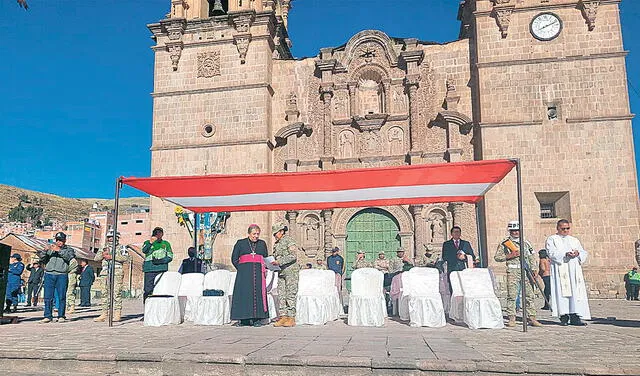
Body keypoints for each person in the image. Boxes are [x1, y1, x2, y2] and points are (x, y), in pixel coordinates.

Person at [494, 221, 543, 327]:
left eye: (517, 230)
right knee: (512, 295)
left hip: (526, 271)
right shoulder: (505, 243)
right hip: (513, 272)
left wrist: (534, 270)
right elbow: (497, 257)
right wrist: (510, 255)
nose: (515, 232)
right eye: (513, 230)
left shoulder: (526, 243)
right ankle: (512, 318)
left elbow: (531, 256)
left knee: (529, 295)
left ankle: (532, 317)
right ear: (510, 231)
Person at [546, 219, 591, 326]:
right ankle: (564, 316)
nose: (565, 230)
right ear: (558, 228)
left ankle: (575, 316)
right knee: (562, 292)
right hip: (561, 269)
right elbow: (551, 253)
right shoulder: (552, 239)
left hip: (574, 270)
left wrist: (577, 253)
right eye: (563, 228)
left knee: (576, 292)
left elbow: (583, 252)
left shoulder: (574, 240)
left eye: (567, 228)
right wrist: (565, 254)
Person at [230, 224, 269, 327]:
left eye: (257, 234)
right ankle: (243, 320)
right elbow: (234, 258)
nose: (256, 236)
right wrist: (242, 269)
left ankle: (257, 319)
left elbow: (265, 258)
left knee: (257, 295)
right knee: (244, 295)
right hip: (244, 275)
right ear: (249, 233)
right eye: (254, 234)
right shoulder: (240, 243)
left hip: (258, 274)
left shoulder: (262, 244)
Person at [38, 232, 76, 323]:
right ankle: (47, 316)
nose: (59, 242)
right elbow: (41, 259)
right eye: (57, 240)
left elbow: (70, 257)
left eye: (61, 240)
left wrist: (59, 250)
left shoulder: (69, 249)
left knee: (61, 296)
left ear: (64, 241)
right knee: (48, 296)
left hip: (61, 275)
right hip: (49, 274)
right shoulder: (51, 249)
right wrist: (45, 250)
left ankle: (61, 315)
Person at [94, 229, 130, 322]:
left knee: (116, 293)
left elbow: (126, 258)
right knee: (104, 293)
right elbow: (96, 258)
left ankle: (117, 314)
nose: (110, 239)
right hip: (105, 272)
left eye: (112, 237)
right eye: (109, 237)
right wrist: (103, 254)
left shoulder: (122, 247)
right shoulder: (104, 248)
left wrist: (112, 257)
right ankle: (104, 313)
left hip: (117, 271)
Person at [271, 222, 300, 328]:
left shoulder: (289, 240)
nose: (275, 235)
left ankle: (291, 318)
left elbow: (293, 256)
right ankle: (283, 316)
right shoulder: (277, 244)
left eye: (276, 233)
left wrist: (280, 261)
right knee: (281, 294)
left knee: (290, 294)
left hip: (291, 271)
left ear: (281, 231)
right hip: (281, 272)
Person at [142, 227, 173, 303]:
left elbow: (170, 256)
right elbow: (144, 250)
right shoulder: (147, 242)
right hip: (150, 269)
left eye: (160, 233)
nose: (158, 235)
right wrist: (150, 242)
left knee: (161, 289)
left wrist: (161, 261)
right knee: (148, 289)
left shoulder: (166, 244)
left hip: (161, 269)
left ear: (162, 234)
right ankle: (147, 305)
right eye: (156, 233)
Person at [442, 226, 476, 293]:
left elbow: (472, 256)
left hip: (464, 269)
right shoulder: (447, 244)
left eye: (458, 232)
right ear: (451, 234)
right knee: (454, 288)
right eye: (455, 232)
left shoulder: (466, 243)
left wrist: (465, 257)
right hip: (452, 269)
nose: (457, 233)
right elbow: (445, 256)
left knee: (464, 287)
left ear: (460, 233)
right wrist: (456, 257)